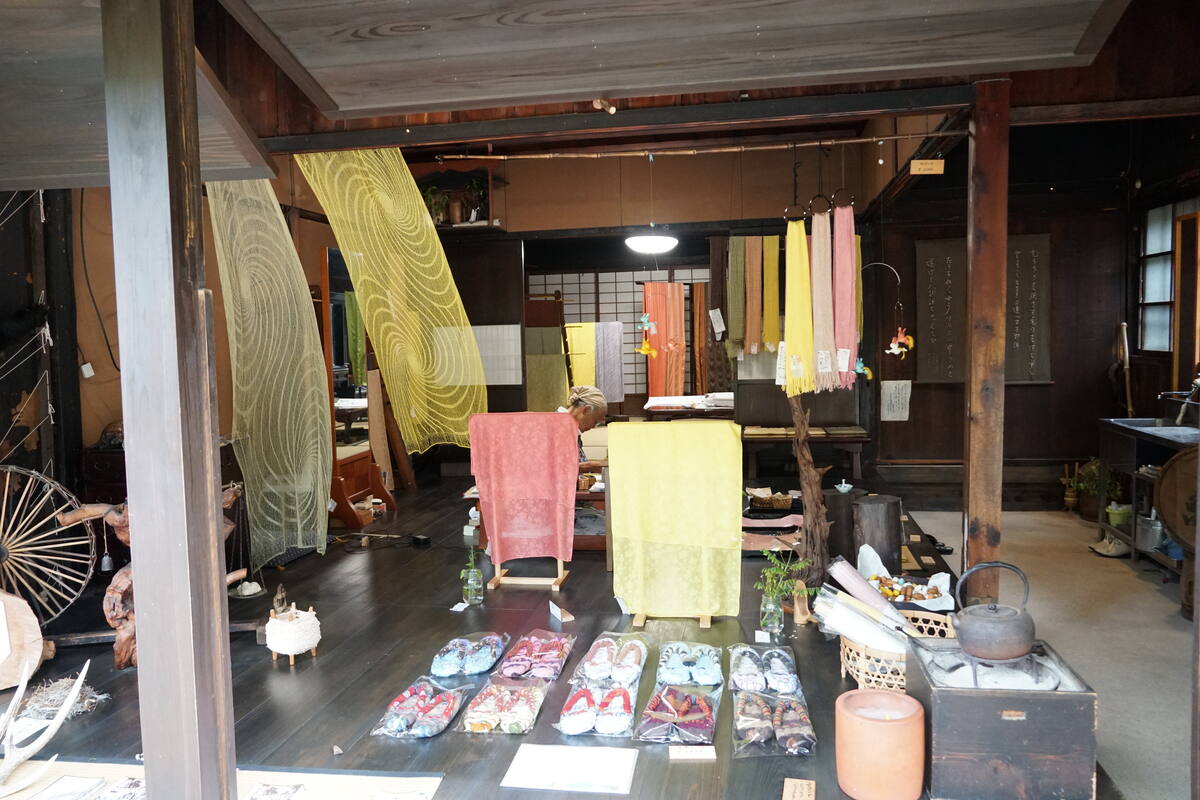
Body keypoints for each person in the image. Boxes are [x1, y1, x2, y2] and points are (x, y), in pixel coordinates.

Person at [560, 385, 607, 472]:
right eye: (595, 421)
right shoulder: (558, 427)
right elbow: (561, 468)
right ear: (585, 410)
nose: (593, 426)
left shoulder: (571, 428)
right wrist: (596, 465)